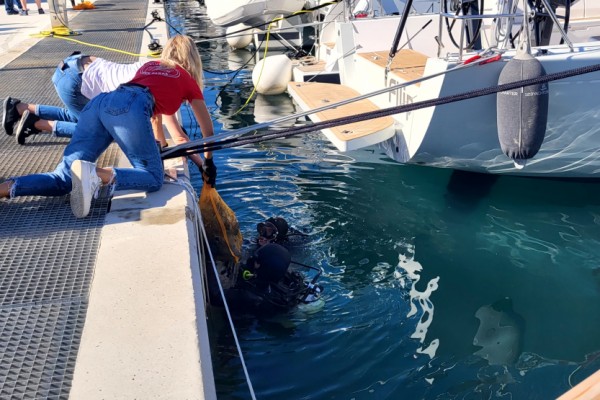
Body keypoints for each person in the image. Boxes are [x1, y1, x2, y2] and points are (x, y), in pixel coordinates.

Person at [0, 34, 216, 219]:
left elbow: (154, 123)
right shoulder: (186, 79)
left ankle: (4, 189)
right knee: (153, 177)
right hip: (129, 107)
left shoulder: (151, 65)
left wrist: (155, 150)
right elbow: (208, 131)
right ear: (193, 60)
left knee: (64, 179)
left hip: (100, 103)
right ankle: (95, 174)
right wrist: (208, 163)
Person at [3, 53, 147, 144]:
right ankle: (36, 124)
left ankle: (20, 108)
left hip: (71, 65)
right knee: (101, 132)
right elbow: (155, 119)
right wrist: (159, 144)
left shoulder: (153, 65)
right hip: (75, 80)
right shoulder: (156, 84)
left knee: (76, 116)